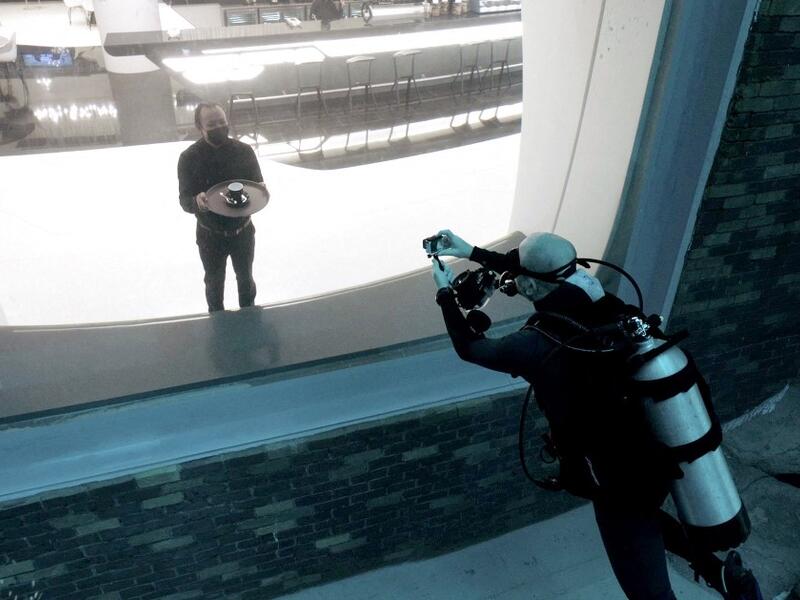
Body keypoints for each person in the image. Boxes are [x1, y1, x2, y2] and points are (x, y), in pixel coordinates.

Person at [429, 229, 763, 600]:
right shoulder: (596, 294)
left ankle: (733, 582)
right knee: (645, 517)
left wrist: (446, 295)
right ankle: (721, 573)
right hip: (656, 447)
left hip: (616, 476)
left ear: (536, 287)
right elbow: (537, 266)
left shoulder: (537, 345)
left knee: (645, 586)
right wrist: (471, 251)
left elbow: (473, 349)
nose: (513, 275)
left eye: (519, 272)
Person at [177, 102, 268, 313]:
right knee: (214, 283)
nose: (218, 127)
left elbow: (257, 184)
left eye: (221, 122)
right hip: (210, 236)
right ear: (200, 126)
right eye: (211, 124)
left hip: (242, 231)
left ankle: (248, 319)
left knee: (246, 279)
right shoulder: (189, 158)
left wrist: (261, 191)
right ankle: (216, 322)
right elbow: (184, 201)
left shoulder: (244, 151)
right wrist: (196, 202)